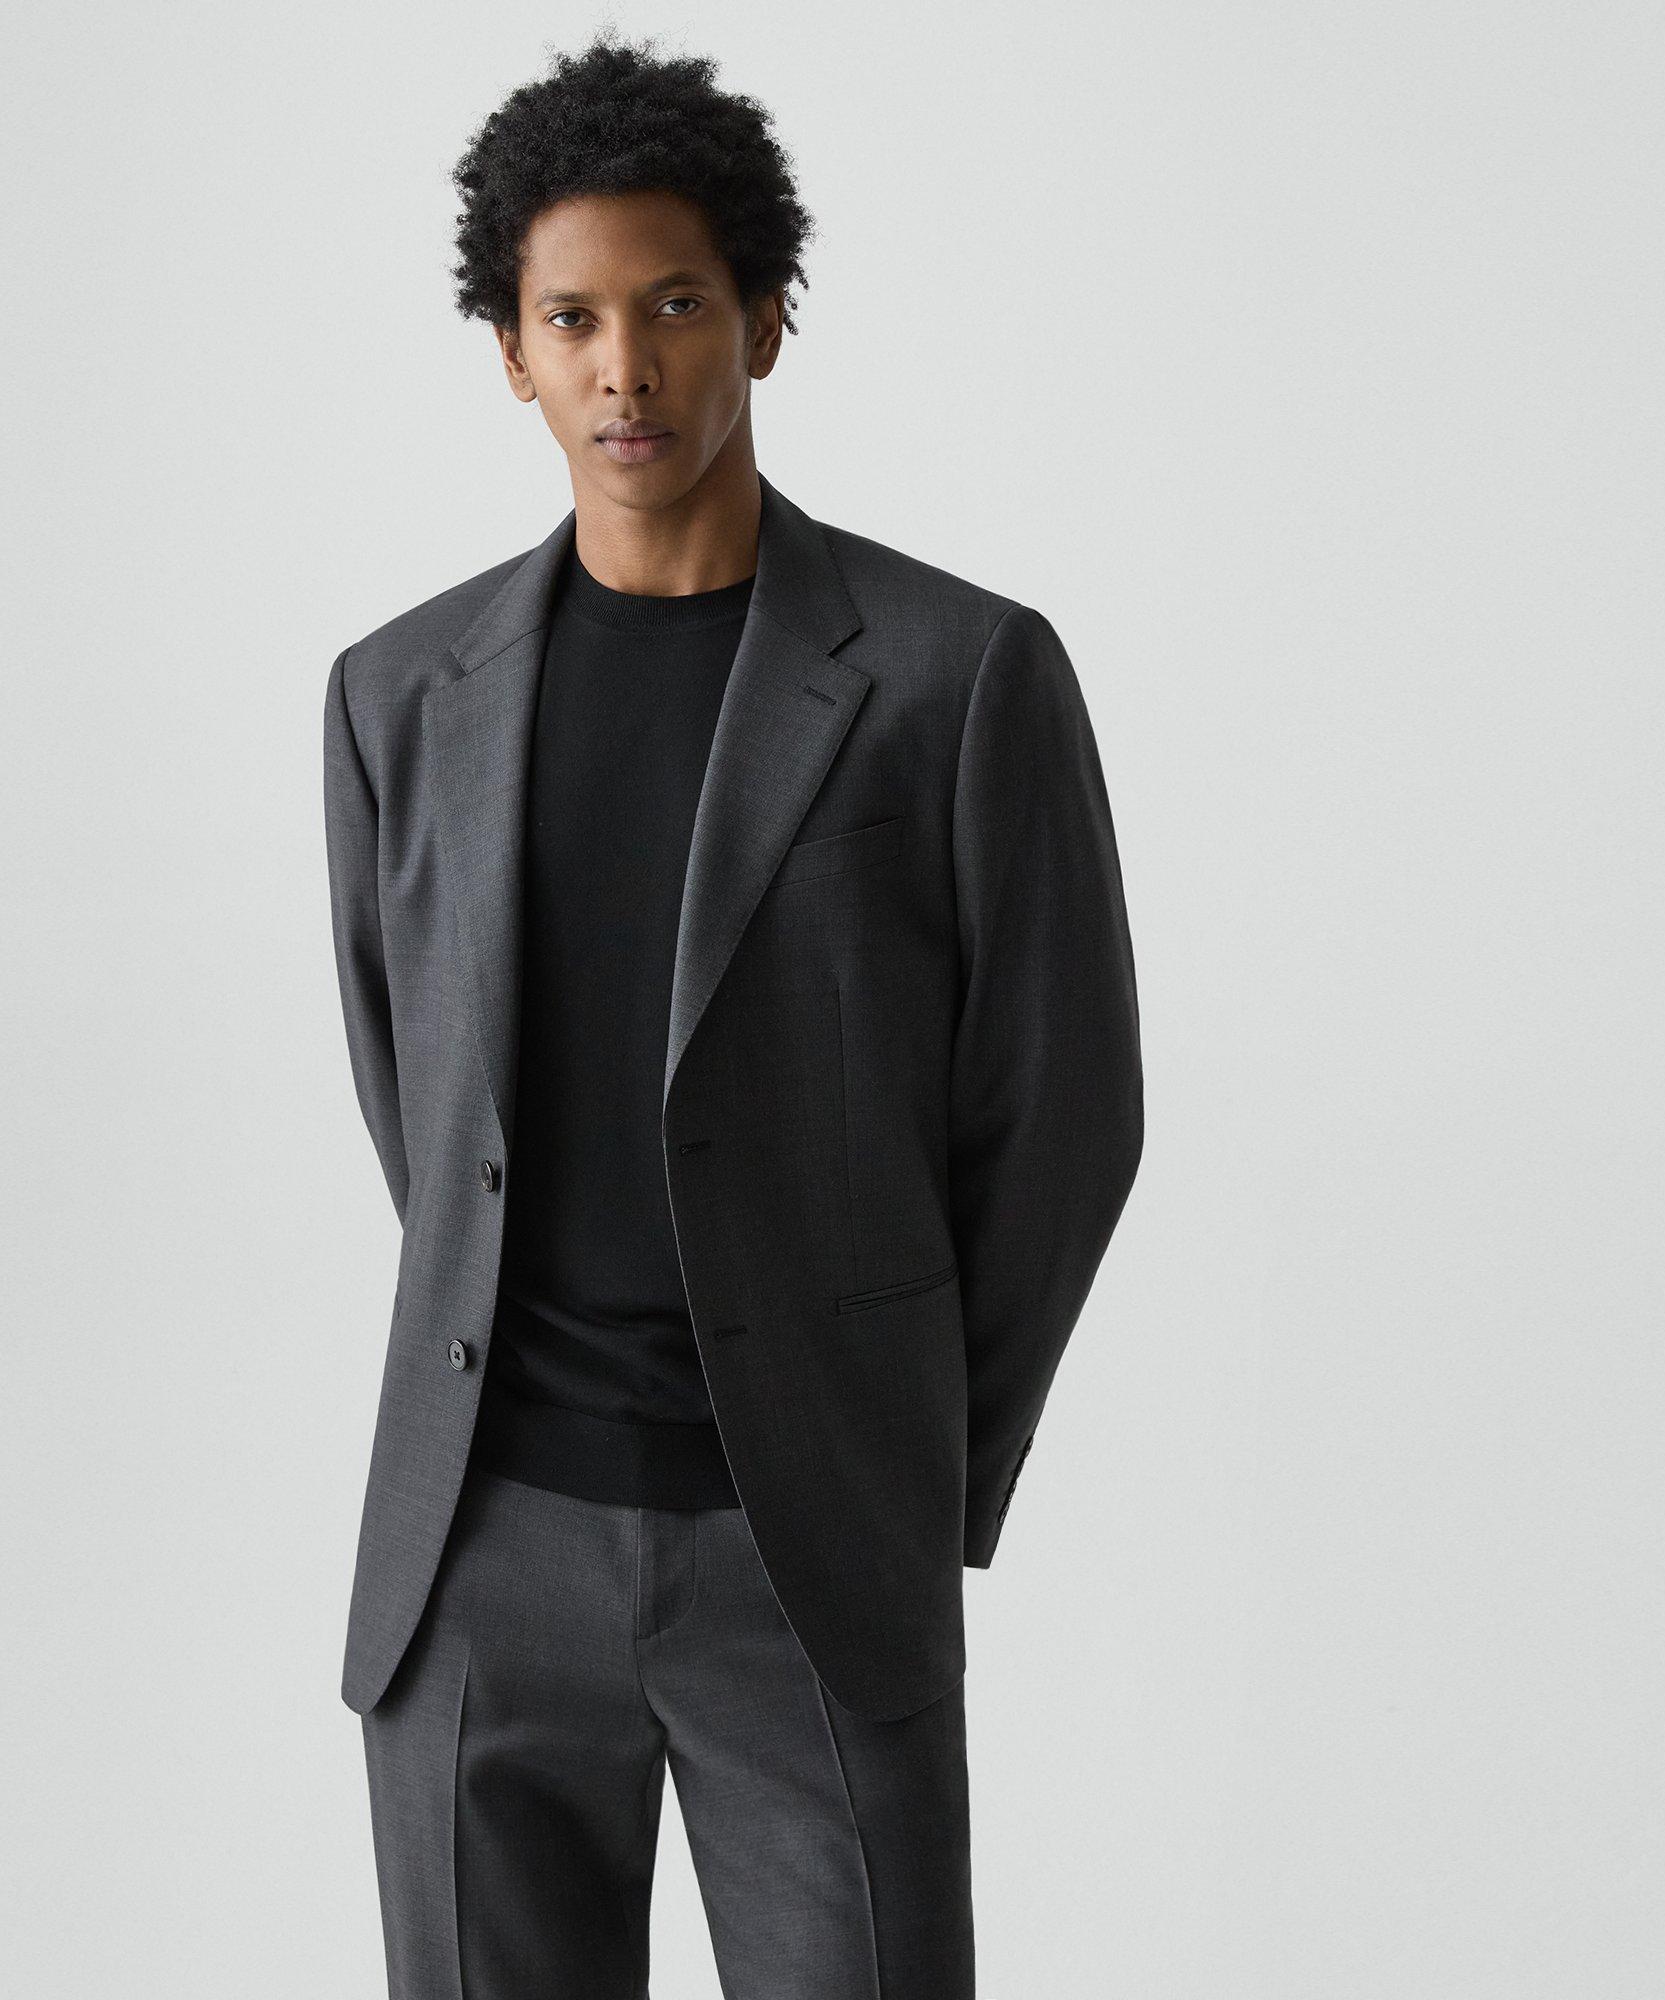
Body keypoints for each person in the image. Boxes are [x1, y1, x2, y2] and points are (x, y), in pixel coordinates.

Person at [322, 31, 1144, 1998]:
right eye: (574, 318)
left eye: (677, 305)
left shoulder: (957, 678)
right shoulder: (397, 697)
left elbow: (1063, 1119)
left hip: (807, 1553)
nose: (627, 366)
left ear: (766, 322)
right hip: (479, 1554)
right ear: (512, 353)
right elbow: (417, 1100)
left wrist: (900, 1460)